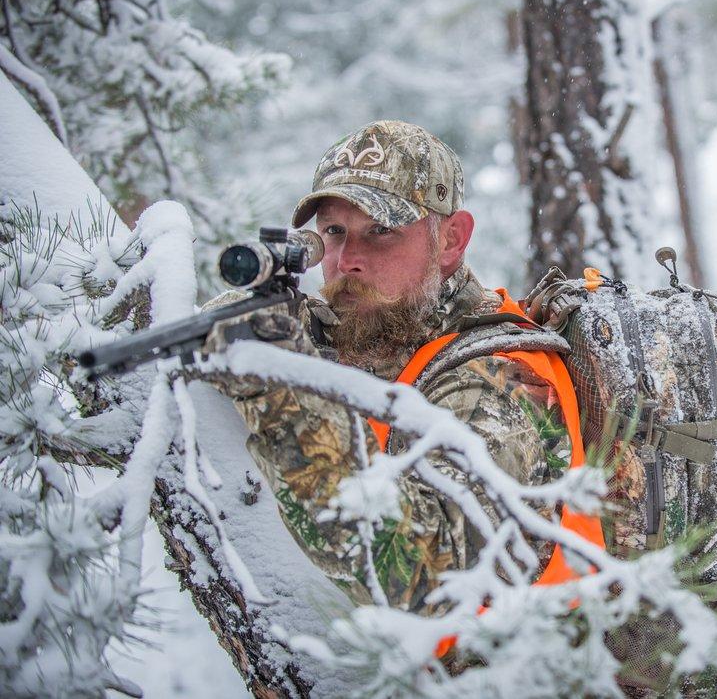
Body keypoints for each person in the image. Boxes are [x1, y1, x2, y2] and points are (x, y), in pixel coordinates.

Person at [203, 120, 599, 617]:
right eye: (333, 233)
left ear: (451, 240)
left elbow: (418, 578)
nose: (349, 260)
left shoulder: (501, 379)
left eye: (381, 231)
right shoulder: (382, 330)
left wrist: (281, 400)